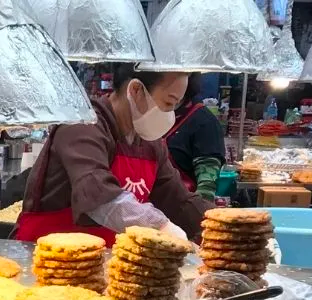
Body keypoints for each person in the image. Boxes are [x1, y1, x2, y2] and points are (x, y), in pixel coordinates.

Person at [15, 68, 213, 245]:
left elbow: (179, 201)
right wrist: (160, 226)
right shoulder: (82, 125)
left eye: (176, 106)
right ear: (136, 90)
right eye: (168, 103)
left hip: (105, 263)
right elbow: (99, 197)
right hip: (44, 256)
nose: (170, 115)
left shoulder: (150, 142)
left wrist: (221, 224)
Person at [166, 74, 226, 200]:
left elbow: (206, 187)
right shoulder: (151, 117)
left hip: (182, 210)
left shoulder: (204, 122)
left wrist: (197, 214)